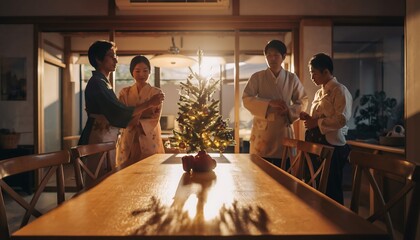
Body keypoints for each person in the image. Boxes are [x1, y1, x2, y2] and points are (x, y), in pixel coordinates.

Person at [78, 41, 164, 181]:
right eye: (111, 56)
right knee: (99, 180)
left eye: (145, 70)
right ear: (99, 59)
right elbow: (118, 111)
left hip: (137, 136)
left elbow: (150, 116)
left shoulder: (103, 82)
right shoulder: (101, 83)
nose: (116, 59)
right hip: (101, 135)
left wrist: (134, 114)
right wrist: (147, 105)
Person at [242, 39, 308, 166]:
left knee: (284, 170)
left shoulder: (291, 78)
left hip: (282, 129)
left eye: (276, 55)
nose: (272, 58)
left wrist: (289, 110)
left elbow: (303, 100)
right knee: (260, 173)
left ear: (283, 57)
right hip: (263, 131)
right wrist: (269, 103)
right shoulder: (257, 77)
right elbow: (246, 98)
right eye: (269, 55)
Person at [300, 52, 352, 204]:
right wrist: (309, 119)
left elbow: (341, 119)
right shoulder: (318, 92)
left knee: (331, 189)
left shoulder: (340, 90)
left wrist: (316, 123)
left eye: (313, 73)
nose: (312, 77)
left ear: (325, 71)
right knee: (315, 185)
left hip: (331, 146)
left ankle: (335, 224)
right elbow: (319, 118)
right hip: (316, 145)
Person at [116, 55, 165, 167]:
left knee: (150, 170)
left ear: (149, 72)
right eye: (137, 71)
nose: (141, 74)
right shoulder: (124, 93)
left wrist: (133, 116)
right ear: (132, 72)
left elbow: (154, 118)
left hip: (148, 136)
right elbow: (122, 116)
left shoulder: (156, 93)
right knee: (126, 171)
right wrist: (145, 112)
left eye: (145, 71)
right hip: (129, 136)